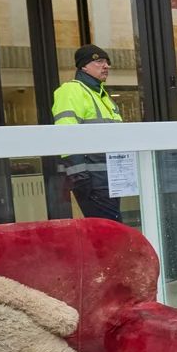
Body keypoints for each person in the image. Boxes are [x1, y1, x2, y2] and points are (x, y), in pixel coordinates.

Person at [52, 44, 124, 220]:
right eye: (99, 61)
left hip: (112, 179)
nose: (106, 66)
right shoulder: (72, 90)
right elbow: (66, 134)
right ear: (83, 66)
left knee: (108, 234)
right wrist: (80, 176)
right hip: (92, 180)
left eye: (107, 62)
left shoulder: (103, 96)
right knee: (110, 234)